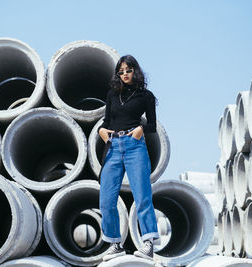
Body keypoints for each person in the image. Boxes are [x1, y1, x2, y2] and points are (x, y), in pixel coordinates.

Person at [98, 55, 159, 261]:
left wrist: (140, 129)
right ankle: (115, 244)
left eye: (128, 70)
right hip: (113, 146)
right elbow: (107, 120)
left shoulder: (146, 96)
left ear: (135, 71)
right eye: (121, 71)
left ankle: (148, 243)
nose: (125, 74)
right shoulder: (112, 95)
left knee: (142, 196)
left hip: (135, 146)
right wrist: (101, 131)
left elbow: (152, 125)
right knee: (106, 199)